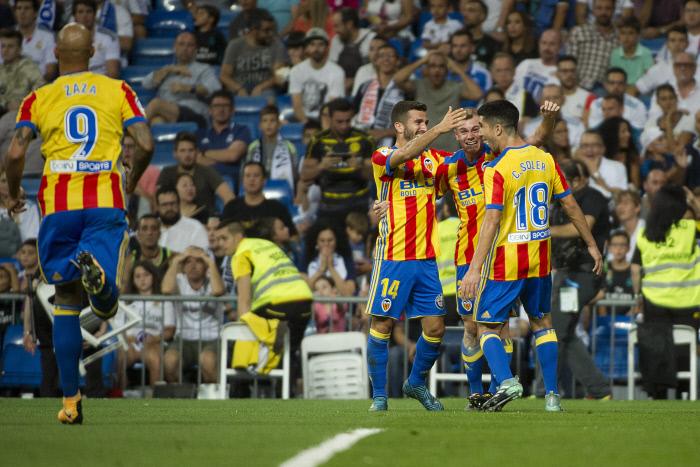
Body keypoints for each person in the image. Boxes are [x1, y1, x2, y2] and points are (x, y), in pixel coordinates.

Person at [3, 22, 154, 424]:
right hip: (104, 199)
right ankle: (101, 285)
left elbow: (16, 150)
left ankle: (71, 402)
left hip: (58, 206)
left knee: (65, 301)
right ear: (92, 53)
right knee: (104, 302)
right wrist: (132, 179)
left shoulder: (38, 97)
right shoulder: (117, 89)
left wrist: (14, 192)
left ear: (55, 55)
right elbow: (146, 142)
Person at [460, 99, 602, 412]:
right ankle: (552, 397)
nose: (481, 135)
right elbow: (571, 205)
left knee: (486, 326)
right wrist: (591, 244)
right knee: (543, 323)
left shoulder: (495, 168)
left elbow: (492, 219)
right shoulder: (545, 159)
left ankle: (506, 380)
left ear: (497, 128)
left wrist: (473, 268)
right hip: (540, 258)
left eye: (482, 127)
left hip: (507, 260)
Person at [365, 101, 467, 412]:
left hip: (426, 260)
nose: (424, 126)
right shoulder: (382, 156)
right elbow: (405, 155)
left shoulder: (434, 160)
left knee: (435, 329)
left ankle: (417, 382)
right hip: (394, 255)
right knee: (382, 324)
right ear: (399, 126)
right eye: (418, 122)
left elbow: (467, 163)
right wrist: (439, 129)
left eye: (426, 121)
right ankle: (380, 396)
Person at [218, 221, 313, 394]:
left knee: (245, 338)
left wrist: (243, 332)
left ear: (239, 237)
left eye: (224, 238)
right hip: (305, 303)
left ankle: (240, 394)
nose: (220, 244)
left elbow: (244, 300)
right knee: (289, 352)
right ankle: (285, 397)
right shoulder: (267, 245)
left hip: (276, 306)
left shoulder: (241, 254)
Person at [549, 159, 612, 400]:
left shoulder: (592, 197)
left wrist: (544, 230)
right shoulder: (559, 201)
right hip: (566, 272)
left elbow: (581, 226)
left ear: (578, 179)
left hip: (583, 273)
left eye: (563, 181)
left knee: (556, 330)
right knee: (564, 332)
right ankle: (600, 390)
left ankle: (545, 390)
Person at [633, 184, 700, 399]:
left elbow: (635, 269)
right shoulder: (689, 230)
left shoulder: (645, 235)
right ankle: (684, 393)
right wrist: (692, 201)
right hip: (687, 301)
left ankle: (658, 394)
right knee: (684, 350)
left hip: (655, 301)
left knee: (656, 349)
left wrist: (638, 296)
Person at [300, 97, 374, 225]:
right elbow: (305, 175)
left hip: (358, 206)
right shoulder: (317, 141)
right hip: (329, 206)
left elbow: (377, 176)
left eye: (348, 121)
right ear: (329, 118)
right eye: (339, 121)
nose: (344, 126)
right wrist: (321, 166)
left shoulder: (365, 139)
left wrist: (360, 167)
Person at [394, 51, 482, 152]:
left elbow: (477, 94)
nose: (437, 70)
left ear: (446, 70)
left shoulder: (454, 87)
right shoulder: (419, 85)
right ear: (426, 69)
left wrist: (457, 69)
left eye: (441, 66)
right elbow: (397, 79)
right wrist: (422, 61)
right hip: (424, 149)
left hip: (450, 150)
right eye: (432, 66)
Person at [162, 246, 225, 384]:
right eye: (188, 262)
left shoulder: (214, 280)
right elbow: (166, 289)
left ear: (206, 266)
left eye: (199, 261)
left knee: (207, 360)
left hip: (212, 339)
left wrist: (210, 262)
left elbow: (218, 291)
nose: (193, 266)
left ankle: (215, 401)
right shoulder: (179, 280)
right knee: (169, 360)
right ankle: (184, 398)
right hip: (184, 339)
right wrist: (177, 260)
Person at [113, 260, 175, 388]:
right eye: (138, 276)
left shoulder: (165, 302)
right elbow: (117, 328)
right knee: (119, 359)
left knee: (155, 359)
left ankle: (154, 401)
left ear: (153, 276)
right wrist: (126, 339)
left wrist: (155, 338)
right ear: (133, 280)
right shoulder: (125, 302)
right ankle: (121, 397)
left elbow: (170, 330)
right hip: (130, 343)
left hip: (154, 343)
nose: (142, 279)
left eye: (146, 275)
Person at [143, 31, 221, 129]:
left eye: (190, 45)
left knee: (156, 103)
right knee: (157, 122)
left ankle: (126, 133)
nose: (185, 48)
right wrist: (168, 69)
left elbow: (215, 90)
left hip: (193, 112)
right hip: (168, 111)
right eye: (181, 44)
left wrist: (188, 88)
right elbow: (146, 84)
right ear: (174, 47)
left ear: (196, 50)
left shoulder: (204, 69)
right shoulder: (167, 69)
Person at [157, 131, 235, 210]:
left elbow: (229, 197)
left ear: (197, 152)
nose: (187, 155)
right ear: (175, 154)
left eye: (190, 150)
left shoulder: (207, 171)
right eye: (182, 151)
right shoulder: (166, 173)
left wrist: (224, 218)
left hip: (206, 219)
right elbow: (158, 200)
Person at [220, 9, 286, 98]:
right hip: (238, 87)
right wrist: (239, 89)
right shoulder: (235, 45)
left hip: (266, 88)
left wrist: (261, 87)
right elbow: (224, 75)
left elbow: (279, 75)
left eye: (272, 30)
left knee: (268, 98)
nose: (271, 34)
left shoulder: (276, 45)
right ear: (254, 30)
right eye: (266, 30)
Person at [221, 161, 297, 236]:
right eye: (247, 176)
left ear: (264, 181)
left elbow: (293, 236)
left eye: (256, 175)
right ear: (243, 181)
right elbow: (222, 235)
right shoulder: (231, 208)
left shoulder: (277, 208)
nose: (251, 179)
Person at [196, 91, 252, 193]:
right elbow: (195, 159)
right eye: (216, 106)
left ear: (232, 110)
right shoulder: (200, 134)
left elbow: (233, 155)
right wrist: (223, 157)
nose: (221, 110)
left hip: (231, 182)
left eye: (225, 106)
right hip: (203, 181)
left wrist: (205, 153)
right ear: (210, 110)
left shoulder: (241, 130)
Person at [352, 43, 405, 146]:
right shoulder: (365, 86)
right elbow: (353, 113)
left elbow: (411, 125)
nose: (386, 60)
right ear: (376, 61)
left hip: (393, 147)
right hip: (362, 143)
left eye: (390, 56)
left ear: (397, 61)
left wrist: (383, 133)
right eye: (382, 56)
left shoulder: (404, 90)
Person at [289, 27, 345, 123]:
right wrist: (307, 124)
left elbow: (333, 108)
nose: (316, 49)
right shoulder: (296, 71)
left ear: (327, 48)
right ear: (306, 48)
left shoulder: (337, 72)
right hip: (303, 120)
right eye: (312, 44)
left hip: (327, 121)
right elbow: (297, 106)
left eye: (320, 45)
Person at [566, 0, 619, 90]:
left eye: (608, 8)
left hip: (603, 90)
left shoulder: (619, 39)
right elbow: (569, 64)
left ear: (614, 10)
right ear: (593, 10)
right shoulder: (579, 32)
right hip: (577, 85)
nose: (603, 12)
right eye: (599, 8)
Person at [245, 105, 298, 195]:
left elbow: (295, 174)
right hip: (258, 189)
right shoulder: (253, 147)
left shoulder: (289, 147)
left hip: (281, 189)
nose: (268, 124)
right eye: (265, 121)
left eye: (272, 121)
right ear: (260, 125)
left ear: (279, 124)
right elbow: (247, 171)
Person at [7, 0, 57, 82]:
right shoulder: (6, 37)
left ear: (35, 13)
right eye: (19, 8)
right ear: (15, 12)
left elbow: (50, 71)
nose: (22, 12)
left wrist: (34, 85)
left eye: (27, 8)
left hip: (39, 87)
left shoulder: (48, 37)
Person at [328, 7, 375, 93]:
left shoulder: (370, 38)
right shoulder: (336, 39)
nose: (335, 30)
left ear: (349, 24)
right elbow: (331, 67)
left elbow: (376, 69)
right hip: (341, 86)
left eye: (337, 26)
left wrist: (354, 81)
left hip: (367, 87)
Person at [303, 221, 356, 296]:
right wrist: (321, 270)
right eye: (322, 241)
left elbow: (348, 293)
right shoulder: (307, 258)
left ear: (336, 241)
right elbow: (303, 290)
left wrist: (331, 268)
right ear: (316, 242)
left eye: (330, 240)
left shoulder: (346, 259)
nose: (326, 244)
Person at [508, 29, 562, 103]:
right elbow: (512, 88)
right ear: (539, 44)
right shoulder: (526, 63)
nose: (547, 47)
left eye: (552, 44)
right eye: (544, 43)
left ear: (559, 47)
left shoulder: (560, 74)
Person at [0, 29, 44, 118]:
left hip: (22, 113)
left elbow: (41, 89)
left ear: (19, 49)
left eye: (10, 46)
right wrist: (6, 104)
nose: (5, 50)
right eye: (3, 46)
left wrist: (23, 104)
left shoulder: (28, 67)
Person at [72, 0, 120, 78]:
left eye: (89, 11)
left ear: (95, 15)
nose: (85, 16)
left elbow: (113, 74)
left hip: (101, 85)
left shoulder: (109, 38)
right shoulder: (67, 40)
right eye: (80, 12)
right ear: (75, 16)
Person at [155, 186, 209, 253]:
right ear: (157, 207)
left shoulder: (195, 228)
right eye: (164, 205)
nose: (169, 208)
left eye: (172, 203)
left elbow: (203, 257)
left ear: (179, 204)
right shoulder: (148, 228)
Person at [578, 129, 628, 199]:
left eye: (594, 145)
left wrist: (595, 174)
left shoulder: (617, 167)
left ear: (603, 148)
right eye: (585, 146)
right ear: (579, 149)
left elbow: (620, 198)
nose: (589, 150)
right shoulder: (574, 168)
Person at [124, 213, 172, 280]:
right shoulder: (129, 261)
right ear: (138, 235)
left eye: (154, 228)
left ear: (160, 234)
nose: (149, 233)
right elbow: (124, 289)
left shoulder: (171, 257)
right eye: (144, 229)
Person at [609, 15, 653, 87]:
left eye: (631, 33)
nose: (626, 37)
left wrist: (635, 89)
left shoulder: (646, 53)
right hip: (620, 88)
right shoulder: (615, 54)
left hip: (639, 90)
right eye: (623, 33)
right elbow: (614, 76)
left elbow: (649, 78)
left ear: (638, 35)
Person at [598, 116, 641, 188]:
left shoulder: (631, 156)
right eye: (623, 131)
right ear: (612, 134)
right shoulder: (600, 157)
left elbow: (635, 186)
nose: (628, 135)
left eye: (628, 131)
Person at [557, 55, 593, 123]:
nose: (569, 75)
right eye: (565, 71)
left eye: (572, 71)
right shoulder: (550, 97)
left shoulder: (588, 97)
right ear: (558, 74)